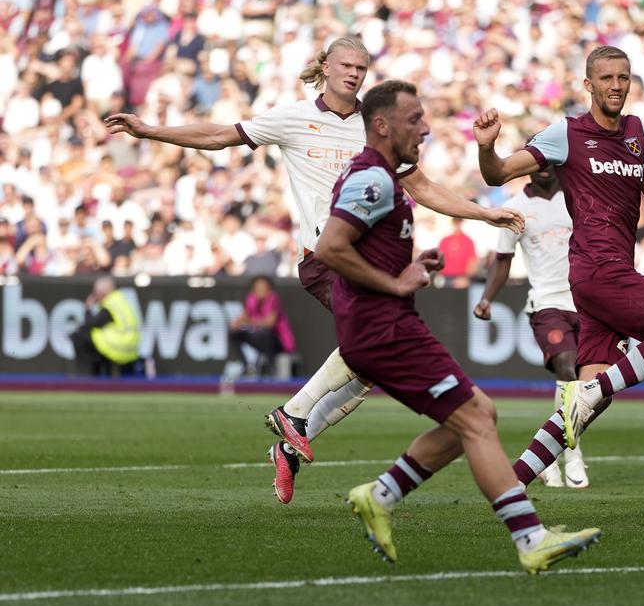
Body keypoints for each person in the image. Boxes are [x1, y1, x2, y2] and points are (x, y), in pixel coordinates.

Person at [105, 36, 523, 503]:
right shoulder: (294, 118)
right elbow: (220, 135)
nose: (354, 73)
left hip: (374, 260)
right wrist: (150, 131)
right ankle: (296, 413)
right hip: (330, 258)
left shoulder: (375, 125)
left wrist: (485, 213)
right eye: (346, 65)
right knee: (374, 342)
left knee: (368, 368)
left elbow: (423, 187)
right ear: (325, 66)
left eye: (362, 67)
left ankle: (289, 442)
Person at [317, 80, 599, 572]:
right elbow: (330, 249)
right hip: (381, 327)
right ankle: (531, 539)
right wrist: (395, 281)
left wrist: (412, 263)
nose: (425, 128)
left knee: (474, 418)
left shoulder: (387, 173)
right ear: (381, 125)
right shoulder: (373, 178)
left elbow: (396, 213)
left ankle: (380, 495)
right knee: (476, 420)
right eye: (413, 120)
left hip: (386, 323)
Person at [473, 45, 644, 488]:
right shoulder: (566, 133)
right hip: (598, 270)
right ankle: (588, 393)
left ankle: (511, 483)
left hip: (606, 272)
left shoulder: (638, 132)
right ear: (589, 84)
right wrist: (488, 149)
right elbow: (498, 174)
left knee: (588, 403)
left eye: (623, 78)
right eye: (606, 78)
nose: (616, 86)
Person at [472, 165, 589, 489]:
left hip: (586, 303)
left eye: (548, 162)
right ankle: (573, 454)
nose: (542, 169)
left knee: (588, 385)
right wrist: (486, 299)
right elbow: (504, 258)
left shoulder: (576, 197)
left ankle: (546, 457)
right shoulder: (516, 209)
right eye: (536, 163)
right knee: (566, 367)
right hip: (546, 303)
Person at [221, 276, 296, 385]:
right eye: (258, 286)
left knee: (264, 332)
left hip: (279, 342)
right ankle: (245, 366)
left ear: (269, 288)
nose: (260, 289)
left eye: (263, 286)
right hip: (260, 339)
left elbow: (269, 323)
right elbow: (244, 316)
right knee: (234, 333)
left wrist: (249, 321)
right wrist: (236, 323)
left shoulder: (273, 298)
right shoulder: (251, 298)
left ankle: (272, 368)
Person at [69, 275, 140, 377]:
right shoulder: (120, 300)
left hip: (119, 346)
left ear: (101, 292)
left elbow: (90, 324)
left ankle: (87, 377)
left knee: (79, 335)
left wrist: (88, 308)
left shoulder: (110, 305)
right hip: (132, 347)